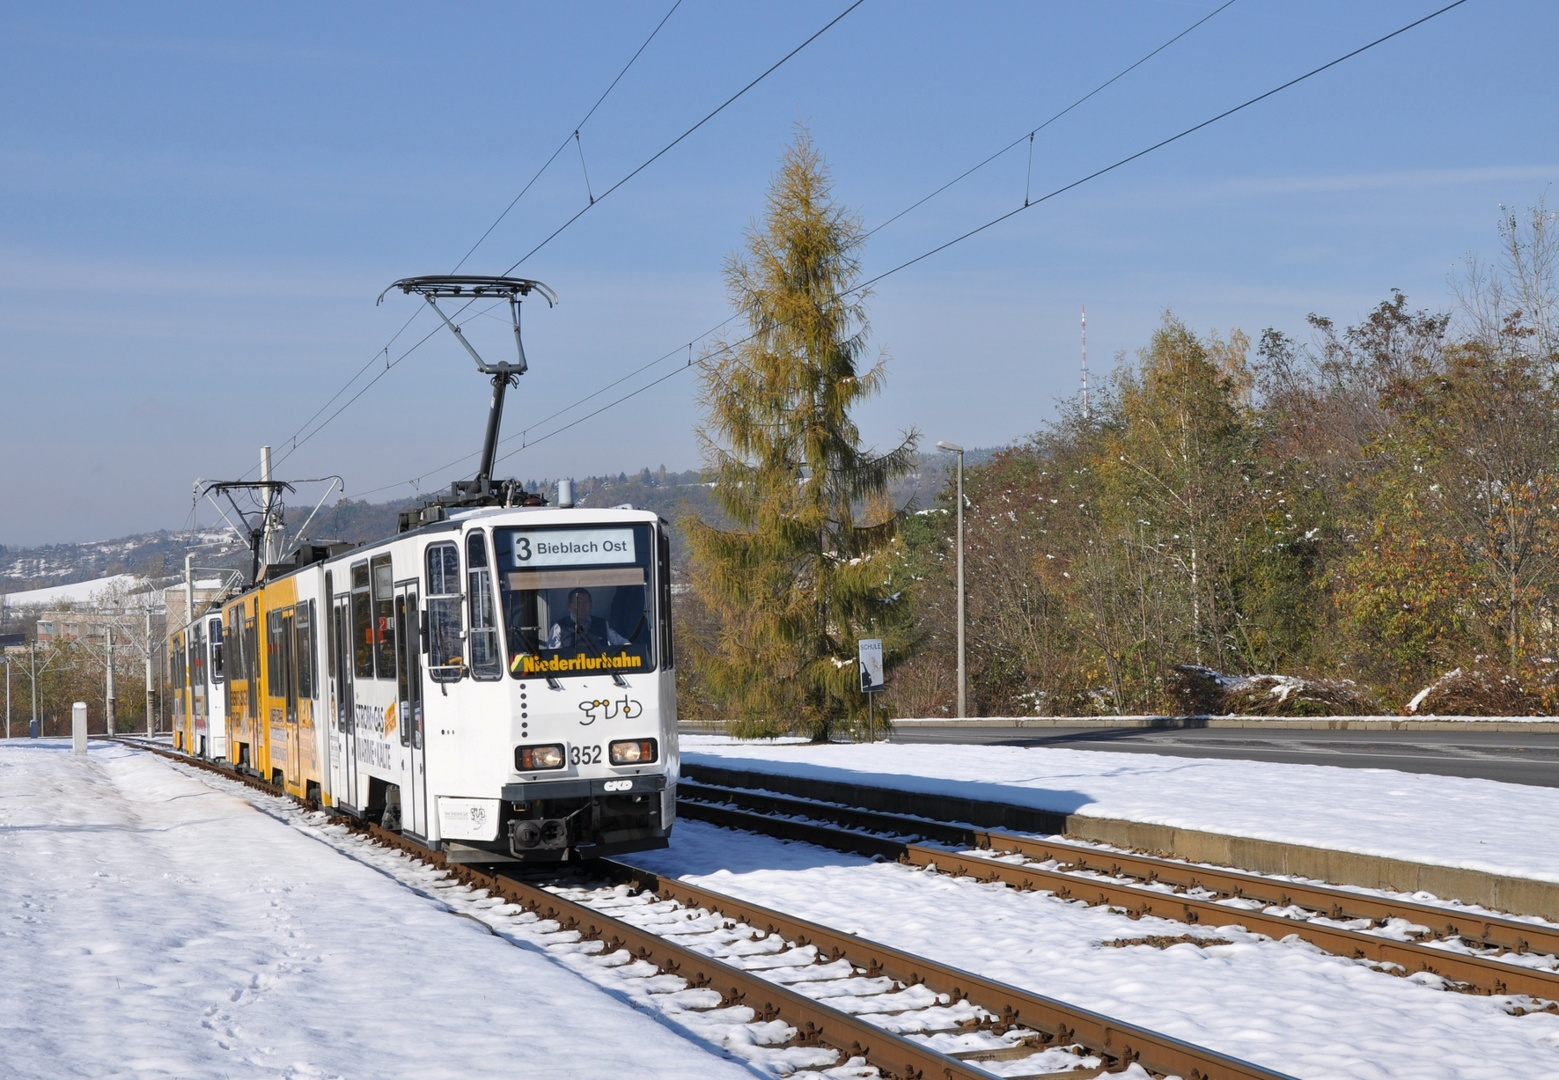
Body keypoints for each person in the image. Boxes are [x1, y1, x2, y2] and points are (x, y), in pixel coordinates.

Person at [547, 588, 628, 652]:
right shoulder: (559, 627)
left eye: (585, 603)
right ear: (569, 605)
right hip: (571, 671)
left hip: (602, 671)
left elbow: (624, 644)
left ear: (591, 605)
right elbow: (553, 655)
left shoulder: (603, 624)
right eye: (577, 603)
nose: (581, 607)